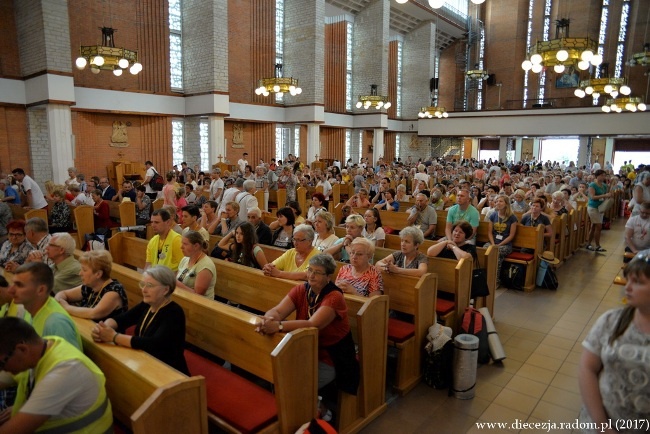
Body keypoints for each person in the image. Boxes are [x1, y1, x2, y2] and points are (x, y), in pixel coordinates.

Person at [257, 254, 359, 397]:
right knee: (275, 373)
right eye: (310, 270)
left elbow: (313, 324)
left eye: (317, 272)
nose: (311, 275)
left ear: (328, 277)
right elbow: (278, 311)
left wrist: (278, 326)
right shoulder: (302, 290)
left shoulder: (335, 296)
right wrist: (268, 319)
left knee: (294, 384)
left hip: (331, 356)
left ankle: (320, 411)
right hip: (305, 348)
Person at [0, 317, 113, 434]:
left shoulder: (64, 371)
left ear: (22, 349)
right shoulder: (42, 348)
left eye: (1, 364)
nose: (2, 369)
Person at [578, 253, 650, 434]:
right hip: (599, 424)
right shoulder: (611, 321)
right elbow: (587, 368)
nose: (628, 287)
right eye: (628, 280)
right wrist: (603, 427)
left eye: (638, 282)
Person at [92, 266, 189, 375]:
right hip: (145, 362)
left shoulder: (174, 312)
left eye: (150, 286)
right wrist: (104, 328)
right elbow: (122, 319)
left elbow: (153, 345)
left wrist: (114, 337)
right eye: (143, 285)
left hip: (169, 371)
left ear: (165, 290)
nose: (144, 290)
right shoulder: (147, 304)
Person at [10, 262, 81, 349]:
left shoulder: (57, 323)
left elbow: (71, 362)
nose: (11, 290)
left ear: (41, 290)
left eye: (19, 285)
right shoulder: (29, 307)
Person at [54, 250, 127, 321]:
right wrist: (59, 300)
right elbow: (63, 293)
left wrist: (66, 307)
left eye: (84, 270)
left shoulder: (114, 291)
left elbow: (93, 313)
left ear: (98, 274)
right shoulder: (90, 286)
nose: (80, 273)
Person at [485, 195, 518, 285]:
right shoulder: (493, 215)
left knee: (497, 253)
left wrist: (498, 246)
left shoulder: (512, 218)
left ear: (506, 204)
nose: (497, 203)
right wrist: (492, 244)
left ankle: (496, 280)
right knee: (484, 250)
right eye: (496, 201)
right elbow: (490, 232)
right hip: (493, 242)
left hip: (505, 244)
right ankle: (485, 277)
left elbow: (511, 236)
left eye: (500, 201)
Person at [176, 231, 216, 299]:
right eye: (182, 243)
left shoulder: (205, 266)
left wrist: (175, 283)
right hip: (183, 298)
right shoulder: (185, 259)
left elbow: (198, 295)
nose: (181, 247)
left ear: (196, 246)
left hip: (200, 305)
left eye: (185, 244)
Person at [586, 170, 612, 253]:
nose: (603, 177)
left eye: (604, 175)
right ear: (597, 176)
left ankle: (589, 243)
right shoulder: (592, 185)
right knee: (599, 226)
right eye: (601, 175)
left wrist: (608, 196)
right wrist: (604, 195)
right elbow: (592, 197)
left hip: (600, 207)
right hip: (593, 207)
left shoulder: (604, 185)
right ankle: (597, 245)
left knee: (594, 226)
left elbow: (605, 195)